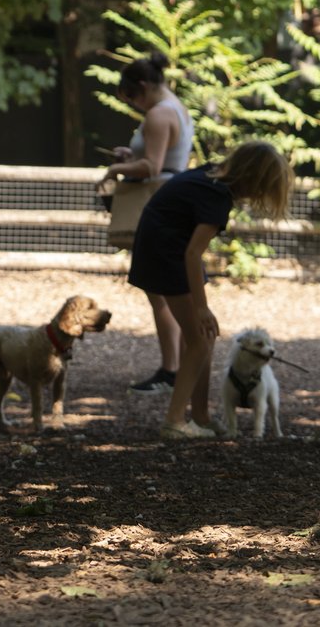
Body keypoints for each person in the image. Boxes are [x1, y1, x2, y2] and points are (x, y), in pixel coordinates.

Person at [126, 141, 293, 440]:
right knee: (200, 341)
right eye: (263, 188)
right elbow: (192, 254)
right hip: (166, 254)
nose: (259, 196)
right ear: (253, 179)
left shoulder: (210, 176)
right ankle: (174, 421)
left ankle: (200, 417)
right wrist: (201, 308)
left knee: (204, 337)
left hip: (163, 247)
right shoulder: (217, 196)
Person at [97, 52, 195, 395]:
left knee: (159, 292)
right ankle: (179, 365)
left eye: (132, 99)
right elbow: (163, 159)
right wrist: (131, 156)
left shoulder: (157, 114)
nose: (136, 107)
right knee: (168, 289)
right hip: (173, 200)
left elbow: (152, 167)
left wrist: (115, 169)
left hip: (158, 204)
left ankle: (171, 370)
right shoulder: (177, 107)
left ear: (142, 87)